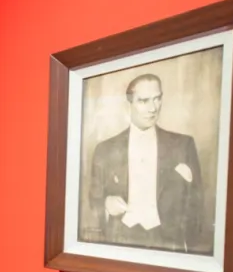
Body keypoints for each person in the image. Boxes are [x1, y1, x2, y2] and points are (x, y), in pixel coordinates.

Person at [87, 73, 207, 253]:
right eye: (143, 101)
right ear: (129, 104)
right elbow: (94, 199)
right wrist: (106, 203)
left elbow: (196, 203)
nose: (153, 108)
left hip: (169, 244)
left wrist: (189, 250)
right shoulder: (105, 150)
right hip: (120, 241)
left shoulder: (183, 146)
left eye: (157, 99)